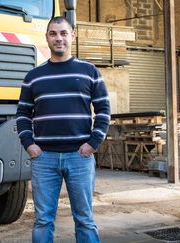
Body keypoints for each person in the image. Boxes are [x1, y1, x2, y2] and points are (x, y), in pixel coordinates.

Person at [16, 16, 110, 243]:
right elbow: (22, 115)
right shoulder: (34, 77)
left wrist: (92, 144)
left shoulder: (89, 71)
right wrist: (30, 145)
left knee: (85, 219)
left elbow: (104, 110)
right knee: (43, 220)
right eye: (53, 34)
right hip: (44, 159)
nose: (58, 38)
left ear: (73, 36)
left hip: (79, 157)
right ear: (47, 38)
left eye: (63, 33)